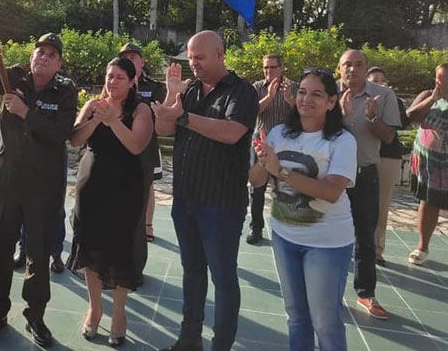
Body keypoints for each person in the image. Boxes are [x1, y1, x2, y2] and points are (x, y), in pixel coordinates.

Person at [0, 20, 77, 348]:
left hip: (42, 186)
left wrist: (25, 111)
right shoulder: (13, 76)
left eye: (51, 54)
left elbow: (60, 134)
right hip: (8, 180)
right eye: (40, 52)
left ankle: (36, 315)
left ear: (59, 63)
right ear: (32, 57)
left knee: (38, 252)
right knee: (1, 248)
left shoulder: (66, 91)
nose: (43, 57)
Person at [152, 30, 258, 351]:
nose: (193, 63)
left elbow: (231, 132)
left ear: (220, 54)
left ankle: (221, 345)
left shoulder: (242, 92)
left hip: (222, 203)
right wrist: (173, 95)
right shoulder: (190, 90)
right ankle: (189, 338)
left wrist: (184, 116)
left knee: (223, 278)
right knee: (192, 271)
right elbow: (163, 129)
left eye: (200, 57)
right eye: (190, 57)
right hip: (186, 199)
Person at [250, 67, 357, 351]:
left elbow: (332, 192)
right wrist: (262, 159)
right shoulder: (279, 133)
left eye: (316, 94)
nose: (306, 99)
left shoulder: (342, 141)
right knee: (296, 318)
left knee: (325, 323)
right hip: (285, 237)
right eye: (302, 92)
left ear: (331, 102)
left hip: (327, 243)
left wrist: (281, 172)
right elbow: (257, 180)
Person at [68, 57, 153, 346]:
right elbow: (75, 140)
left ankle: (119, 312)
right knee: (90, 249)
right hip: (91, 189)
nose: (112, 81)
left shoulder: (140, 109)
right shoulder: (93, 104)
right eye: (109, 75)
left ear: (131, 82)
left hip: (124, 191)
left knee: (120, 251)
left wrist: (113, 121)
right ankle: (95, 306)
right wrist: (95, 119)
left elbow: (136, 145)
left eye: (119, 77)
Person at [337, 49, 400, 320]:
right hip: (333, 177)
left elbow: (388, 138)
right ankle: (329, 289)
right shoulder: (327, 92)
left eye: (358, 64)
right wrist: (337, 112)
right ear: (338, 68)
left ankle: (365, 292)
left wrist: (374, 118)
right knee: (330, 235)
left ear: (366, 68)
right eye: (347, 65)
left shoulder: (383, 95)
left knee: (365, 237)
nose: (352, 69)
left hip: (364, 175)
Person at [405, 62, 448, 270]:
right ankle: (422, 246)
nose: (441, 81)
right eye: (439, 76)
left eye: (447, 77)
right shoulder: (427, 94)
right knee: (428, 202)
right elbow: (410, 117)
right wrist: (433, 98)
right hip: (428, 162)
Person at [117, 42, 166, 278]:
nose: (130, 60)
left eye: (134, 57)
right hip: (119, 150)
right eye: (125, 56)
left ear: (142, 61)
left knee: (147, 187)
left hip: (146, 147)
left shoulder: (154, 87)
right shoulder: (115, 83)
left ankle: (147, 226)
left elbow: (161, 117)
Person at [248, 54, 295, 245]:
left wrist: (289, 99)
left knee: (284, 186)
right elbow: (251, 111)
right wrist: (269, 96)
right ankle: (256, 227)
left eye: (272, 67)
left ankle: (285, 229)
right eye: (265, 68)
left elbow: (301, 114)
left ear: (282, 68)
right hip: (260, 143)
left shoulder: (293, 87)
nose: (269, 71)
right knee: (256, 188)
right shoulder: (257, 87)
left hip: (285, 145)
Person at [366, 67, 409, 266]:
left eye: (383, 80)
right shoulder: (356, 99)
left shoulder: (393, 100)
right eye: (375, 80)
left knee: (382, 204)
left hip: (388, 156)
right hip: (362, 155)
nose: (380, 83)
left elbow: (399, 126)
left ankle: (376, 249)